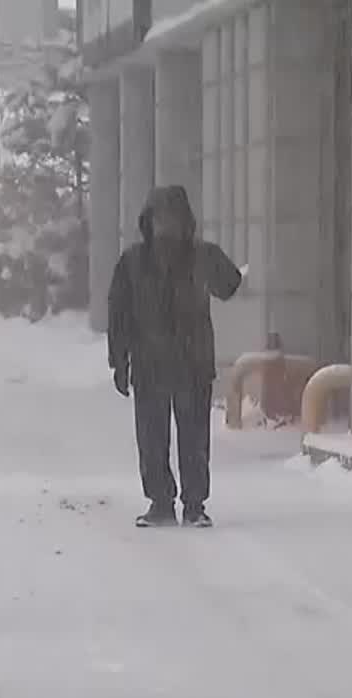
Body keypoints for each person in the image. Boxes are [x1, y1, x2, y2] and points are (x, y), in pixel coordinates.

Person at [107, 185, 243, 528]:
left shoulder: (200, 257)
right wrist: (118, 361)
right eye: (159, 219)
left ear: (186, 223)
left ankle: (194, 504)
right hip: (149, 364)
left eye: (173, 219)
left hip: (192, 363)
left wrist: (211, 260)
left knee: (194, 438)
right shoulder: (133, 263)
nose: (166, 227)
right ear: (148, 222)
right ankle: (160, 502)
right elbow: (119, 315)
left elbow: (229, 286)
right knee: (152, 439)